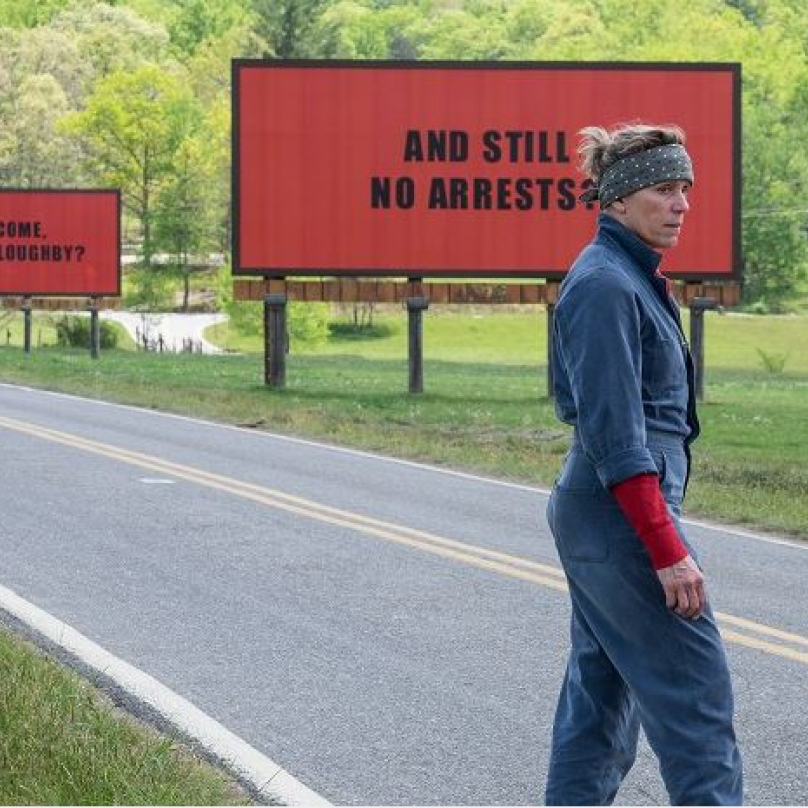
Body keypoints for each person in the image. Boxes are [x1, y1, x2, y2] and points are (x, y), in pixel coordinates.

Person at [544, 123, 743, 805]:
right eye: (664, 188)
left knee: (600, 702)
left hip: (608, 513)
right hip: (619, 514)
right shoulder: (604, 286)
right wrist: (666, 548)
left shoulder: (627, 277)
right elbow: (617, 438)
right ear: (620, 200)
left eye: (686, 188)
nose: (681, 203)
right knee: (696, 702)